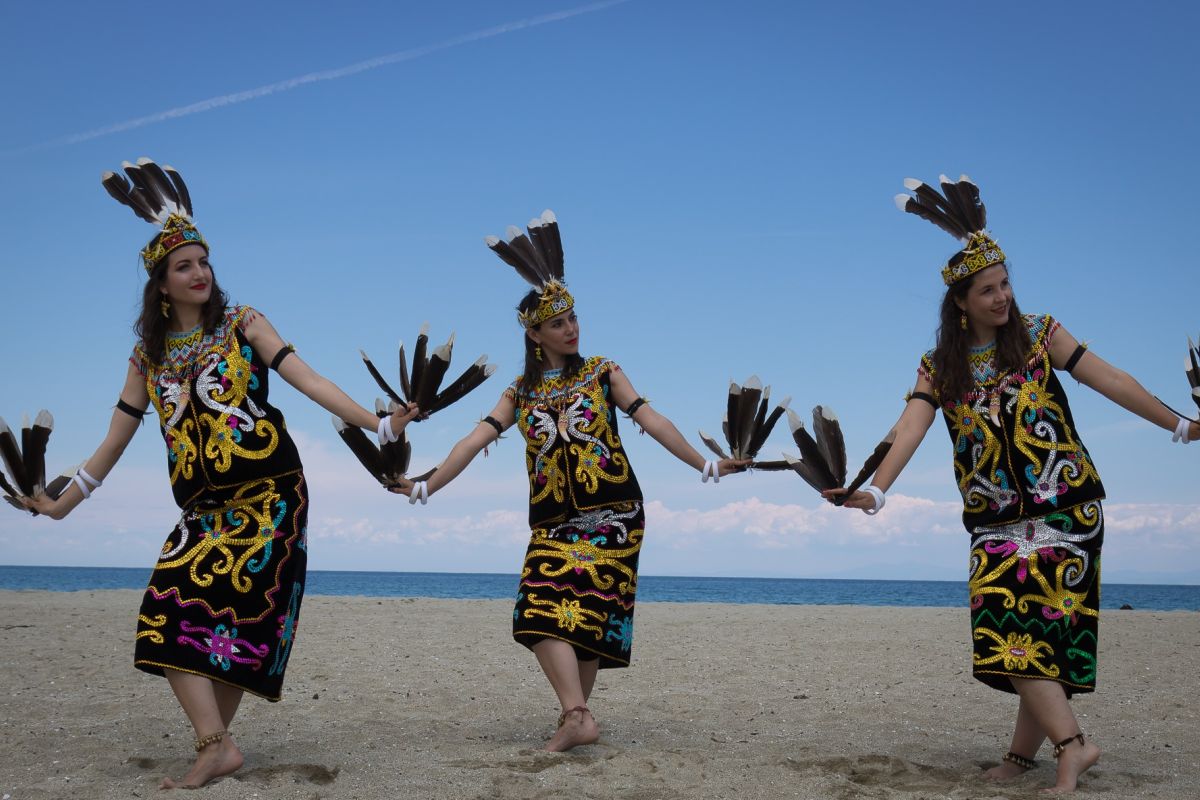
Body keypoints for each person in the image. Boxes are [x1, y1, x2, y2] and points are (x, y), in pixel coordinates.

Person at [22, 159, 420, 789]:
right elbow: (114, 440)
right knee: (167, 611)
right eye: (185, 266)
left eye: (204, 262)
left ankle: (213, 747)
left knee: (237, 620)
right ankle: (218, 744)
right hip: (201, 509)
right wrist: (61, 504)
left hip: (271, 494)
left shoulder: (244, 326)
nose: (201, 273)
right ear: (160, 285)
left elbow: (307, 379)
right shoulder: (147, 356)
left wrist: (381, 427)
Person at [829, 175, 1198, 793]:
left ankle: (1072, 746)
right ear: (960, 302)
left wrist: (1182, 425)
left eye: (1006, 285)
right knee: (1021, 633)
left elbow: (1111, 379)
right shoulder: (939, 367)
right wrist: (876, 491)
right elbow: (909, 428)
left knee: (1028, 636)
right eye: (988, 290)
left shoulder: (1039, 334)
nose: (1002, 298)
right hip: (995, 521)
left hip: (1068, 509)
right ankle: (1029, 758)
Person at [396, 210, 747, 751]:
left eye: (574, 318)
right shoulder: (520, 392)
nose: (571, 328)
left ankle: (576, 716)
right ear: (534, 334)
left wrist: (704, 463)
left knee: (582, 620)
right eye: (558, 323)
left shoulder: (602, 371)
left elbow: (650, 419)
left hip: (615, 514)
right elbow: (473, 441)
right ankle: (577, 716)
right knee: (540, 609)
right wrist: (426, 485)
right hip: (552, 522)